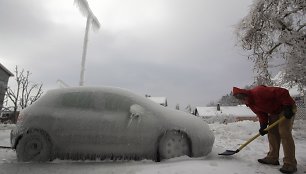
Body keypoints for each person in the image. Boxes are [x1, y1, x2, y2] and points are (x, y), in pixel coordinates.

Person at [232, 85, 297, 174]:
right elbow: (261, 114)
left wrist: (288, 106)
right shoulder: (251, 104)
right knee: (272, 132)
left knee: (284, 132)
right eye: (239, 99)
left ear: (245, 94)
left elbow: (283, 92)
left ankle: (290, 163)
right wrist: (263, 126)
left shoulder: (258, 91)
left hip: (286, 108)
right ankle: (272, 158)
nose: (242, 100)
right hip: (274, 111)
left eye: (242, 97)